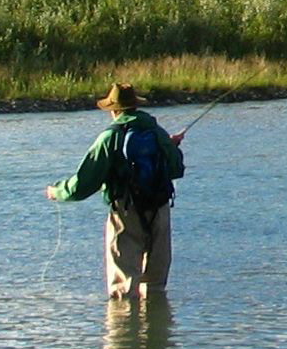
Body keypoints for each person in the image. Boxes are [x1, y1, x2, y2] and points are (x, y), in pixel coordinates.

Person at [46, 83, 187, 299]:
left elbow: (82, 185)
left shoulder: (109, 137)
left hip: (125, 211)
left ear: (114, 110)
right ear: (136, 106)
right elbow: (176, 170)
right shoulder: (157, 132)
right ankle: (157, 328)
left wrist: (57, 192)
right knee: (155, 287)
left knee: (124, 287)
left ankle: (125, 329)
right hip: (159, 209)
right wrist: (169, 147)